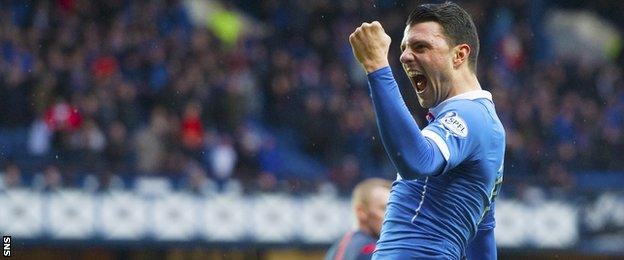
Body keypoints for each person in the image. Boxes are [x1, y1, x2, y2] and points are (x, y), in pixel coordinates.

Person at [348, 2, 505, 259]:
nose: (405, 56)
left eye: (421, 46)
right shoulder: (483, 126)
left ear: (459, 55)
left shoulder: (470, 115)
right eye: (404, 48)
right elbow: (482, 234)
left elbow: (416, 160)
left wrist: (377, 67)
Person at [325, 178, 392, 260]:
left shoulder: (339, 245)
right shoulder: (368, 249)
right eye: (384, 208)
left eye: (393, 210)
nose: (391, 216)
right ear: (361, 212)